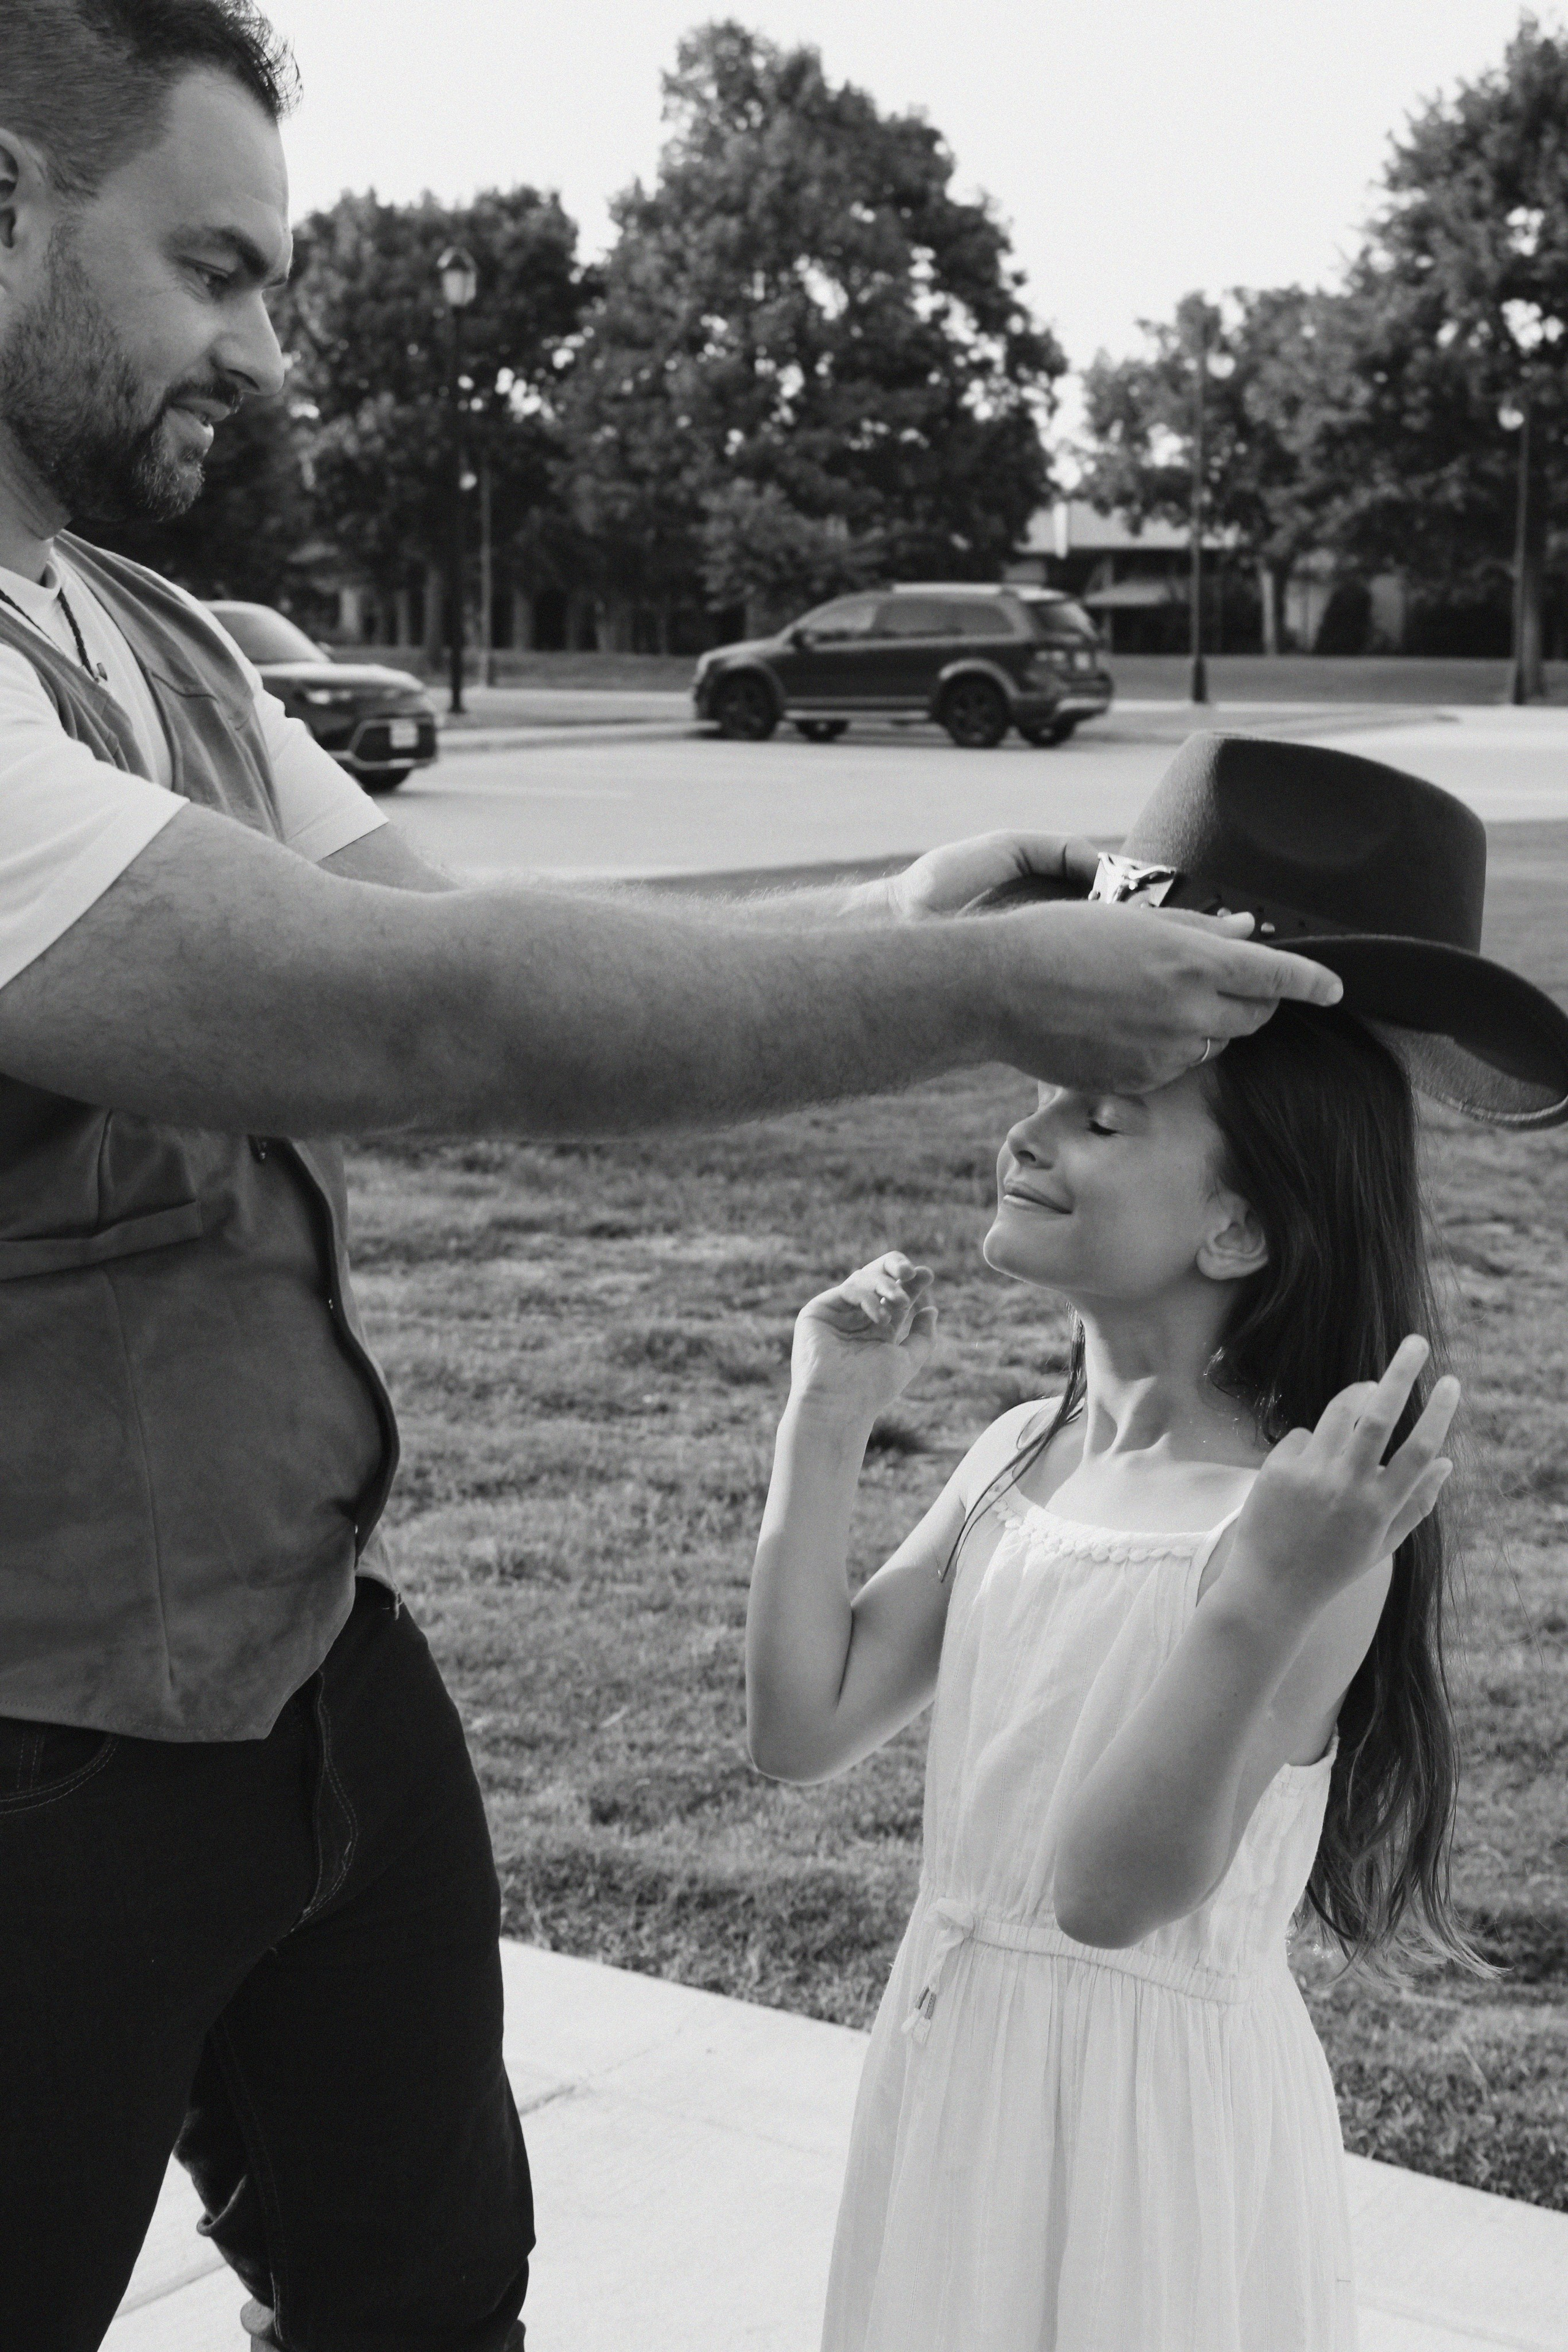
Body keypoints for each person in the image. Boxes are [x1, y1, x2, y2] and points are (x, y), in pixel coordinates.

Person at [0, 9, 1348, 2351]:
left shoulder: (152, 631)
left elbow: (470, 929)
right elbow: (430, 1024)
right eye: (214, 270)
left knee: (430, 2296)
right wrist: (978, 993)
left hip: (307, 1666)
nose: (271, 355)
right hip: (38, 1742)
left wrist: (895, 917)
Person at [746, 734, 1568, 2352]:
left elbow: (1111, 1893)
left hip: (1142, 2146)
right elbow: (801, 1726)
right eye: (1045, 1093)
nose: (1031, 1134)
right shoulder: (1021, 1451)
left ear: (1242, 1224)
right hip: (957, 2075)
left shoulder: (1303, 1534)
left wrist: (1259, 1601)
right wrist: (824, 1419)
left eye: (1104, 1119)